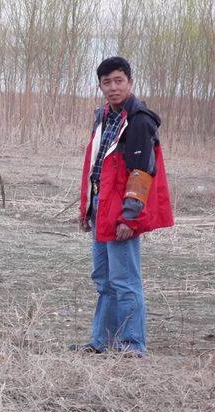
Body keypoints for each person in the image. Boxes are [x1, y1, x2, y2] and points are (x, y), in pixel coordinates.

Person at [71, 56, 174, 356]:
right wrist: (87, 209)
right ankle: (102, 342)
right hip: (100, 207)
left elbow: (141, 173)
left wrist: (129, 217)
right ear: (100, 86)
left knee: (125, 280)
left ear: (130, 82)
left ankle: (131, 345)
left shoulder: (140, 120)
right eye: (107, 82)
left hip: (122, 212)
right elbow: (96, 167)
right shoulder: (104, 116)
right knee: (103, 279)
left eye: (119, 81)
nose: (113, 87)